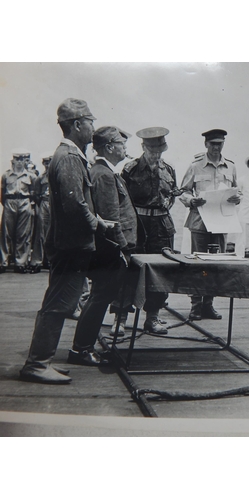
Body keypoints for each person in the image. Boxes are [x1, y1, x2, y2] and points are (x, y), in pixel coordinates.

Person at [19, 98, 112, 384]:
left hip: (69, 244)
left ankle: (40, 361)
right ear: (77, 125)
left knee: (58, 302)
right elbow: (75, 204)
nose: (93, 128)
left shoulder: (68, 155)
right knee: (59, 304)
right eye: (90, 122)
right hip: (72, 246)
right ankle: (37, 364)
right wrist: (98, 224)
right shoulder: (70, 157)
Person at [71, 126, 138, 355]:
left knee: (99, 296)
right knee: (100, 297)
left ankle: (83, 346)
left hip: (108, 248)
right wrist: (122, 250)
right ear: (109, 147)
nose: (125, 147)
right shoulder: (105, 174)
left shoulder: (103, 171)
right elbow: (111, 220)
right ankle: (82, 349)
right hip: (112, 249)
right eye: (121, 143)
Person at [120, 127, 179, 334]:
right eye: (152, 150)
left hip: (162, 226)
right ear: (143, 147)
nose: (156, 155)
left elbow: (172, 196)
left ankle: (152, 317)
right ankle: (121, 318)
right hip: (138, 224)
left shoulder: (169, 169)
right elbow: (123, 200)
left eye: (159, 151)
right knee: (129, 270)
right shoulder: (130, 169)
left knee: (160, 272)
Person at [180, 128, 240, 321]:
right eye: (213, 144)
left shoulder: (230, 167)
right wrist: (191, 201)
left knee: (215, 265)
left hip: (221, 222)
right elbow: (183, 192)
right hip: (200, 222)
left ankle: (209, 304)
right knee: (198, 264)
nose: (216, 147)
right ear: (206, 144)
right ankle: (196, 305)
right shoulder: (195, 166)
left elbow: (236, 191)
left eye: (219, 144)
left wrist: (237, 199)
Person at [0, 149, 37, 274]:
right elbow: (2, 194)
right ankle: (3, 262)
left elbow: (33, 193)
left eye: (22, 160)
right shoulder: (6, 175)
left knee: (23, 234)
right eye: (17, 159)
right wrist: (7, 204)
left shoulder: (30, 176)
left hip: (24, 202)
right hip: (10, 202)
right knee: (6, 233)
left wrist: (29, 205)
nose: (20, 162)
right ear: (13, 161)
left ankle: (20, 263)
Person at [28, 152, 52, 273]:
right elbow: (36, 195)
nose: (48, 165)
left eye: (50, 162)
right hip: (44, 203)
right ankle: (37, 261)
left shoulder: (57, 175)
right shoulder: (40, 178)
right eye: (46, 163)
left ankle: (49, 260)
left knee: (52, 233)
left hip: (54, 204)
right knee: (40, 233)